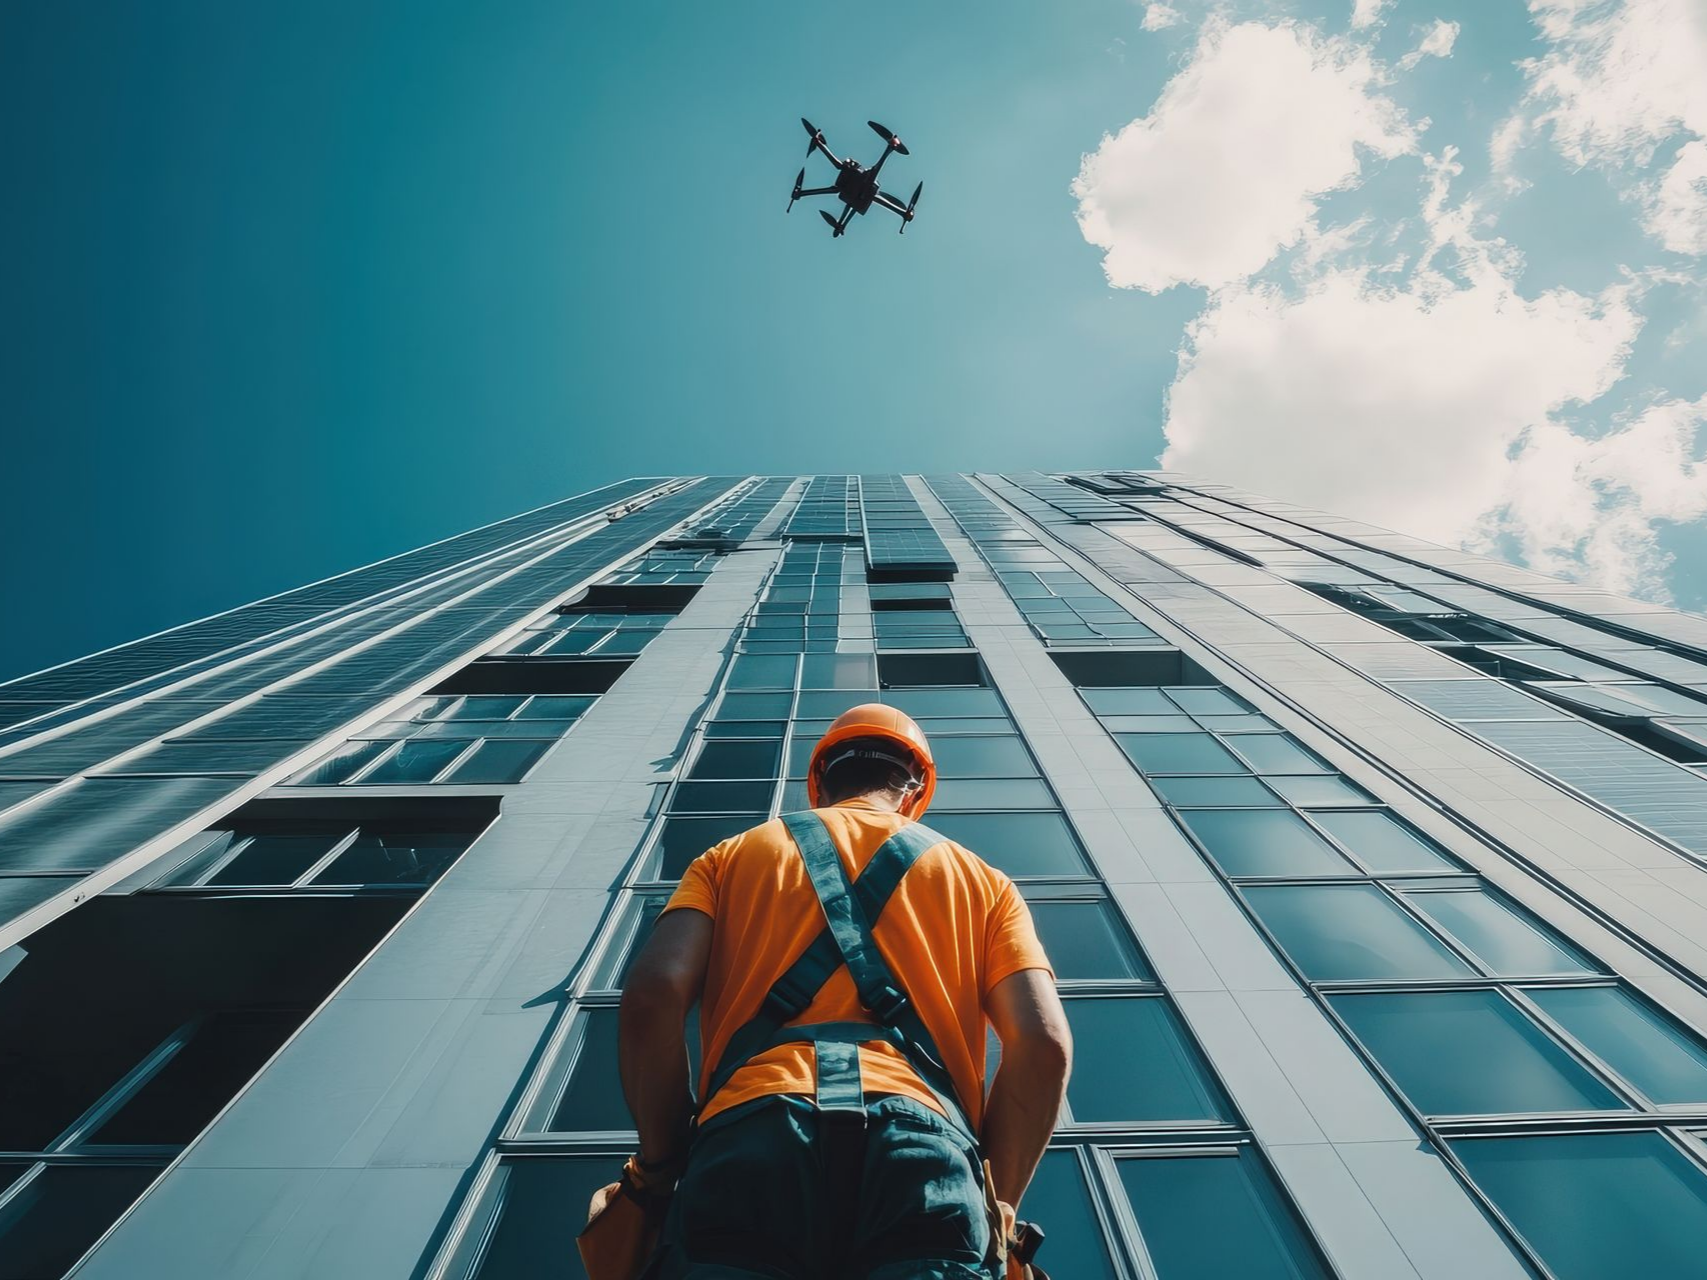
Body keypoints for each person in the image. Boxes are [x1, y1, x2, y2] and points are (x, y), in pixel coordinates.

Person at [614, 704, 1072, 1279]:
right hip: (922, 1148)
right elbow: (1043, 1044)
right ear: (914, 786)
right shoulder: (985, 882)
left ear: (820, 781)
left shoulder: (728, 857)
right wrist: (995, 1208)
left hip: (751, 1131)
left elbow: (653, 995)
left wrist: (661, 1167)